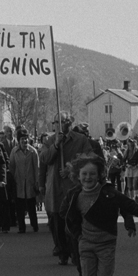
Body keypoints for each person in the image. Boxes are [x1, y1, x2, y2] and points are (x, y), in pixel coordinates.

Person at [39, 112, 93, 266]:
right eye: (55, 122)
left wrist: (72, 169)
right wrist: (56, 145)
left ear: (69, 123)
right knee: (57, 223)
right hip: (55, 188)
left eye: (61, 122)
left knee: (74, 221)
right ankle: (62, 251)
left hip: (74, 187)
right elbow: (44, 159)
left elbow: (90, 158)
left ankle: (76, 252)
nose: (58, 125)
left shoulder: (80, 140)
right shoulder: (50, 140)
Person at [8, 129, 41, 233]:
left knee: (31, 206)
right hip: (19, 183)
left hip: (30, 183)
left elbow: (37, 168)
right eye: (22, 139)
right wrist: (12, 180)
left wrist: (37, 182)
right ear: (19, 140)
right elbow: (12, 166)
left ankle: (35, 225)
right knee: (20, 207)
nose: (24, 141)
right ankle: (22, 227)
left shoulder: (33, 151)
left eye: (26, 139)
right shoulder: (14, 151)